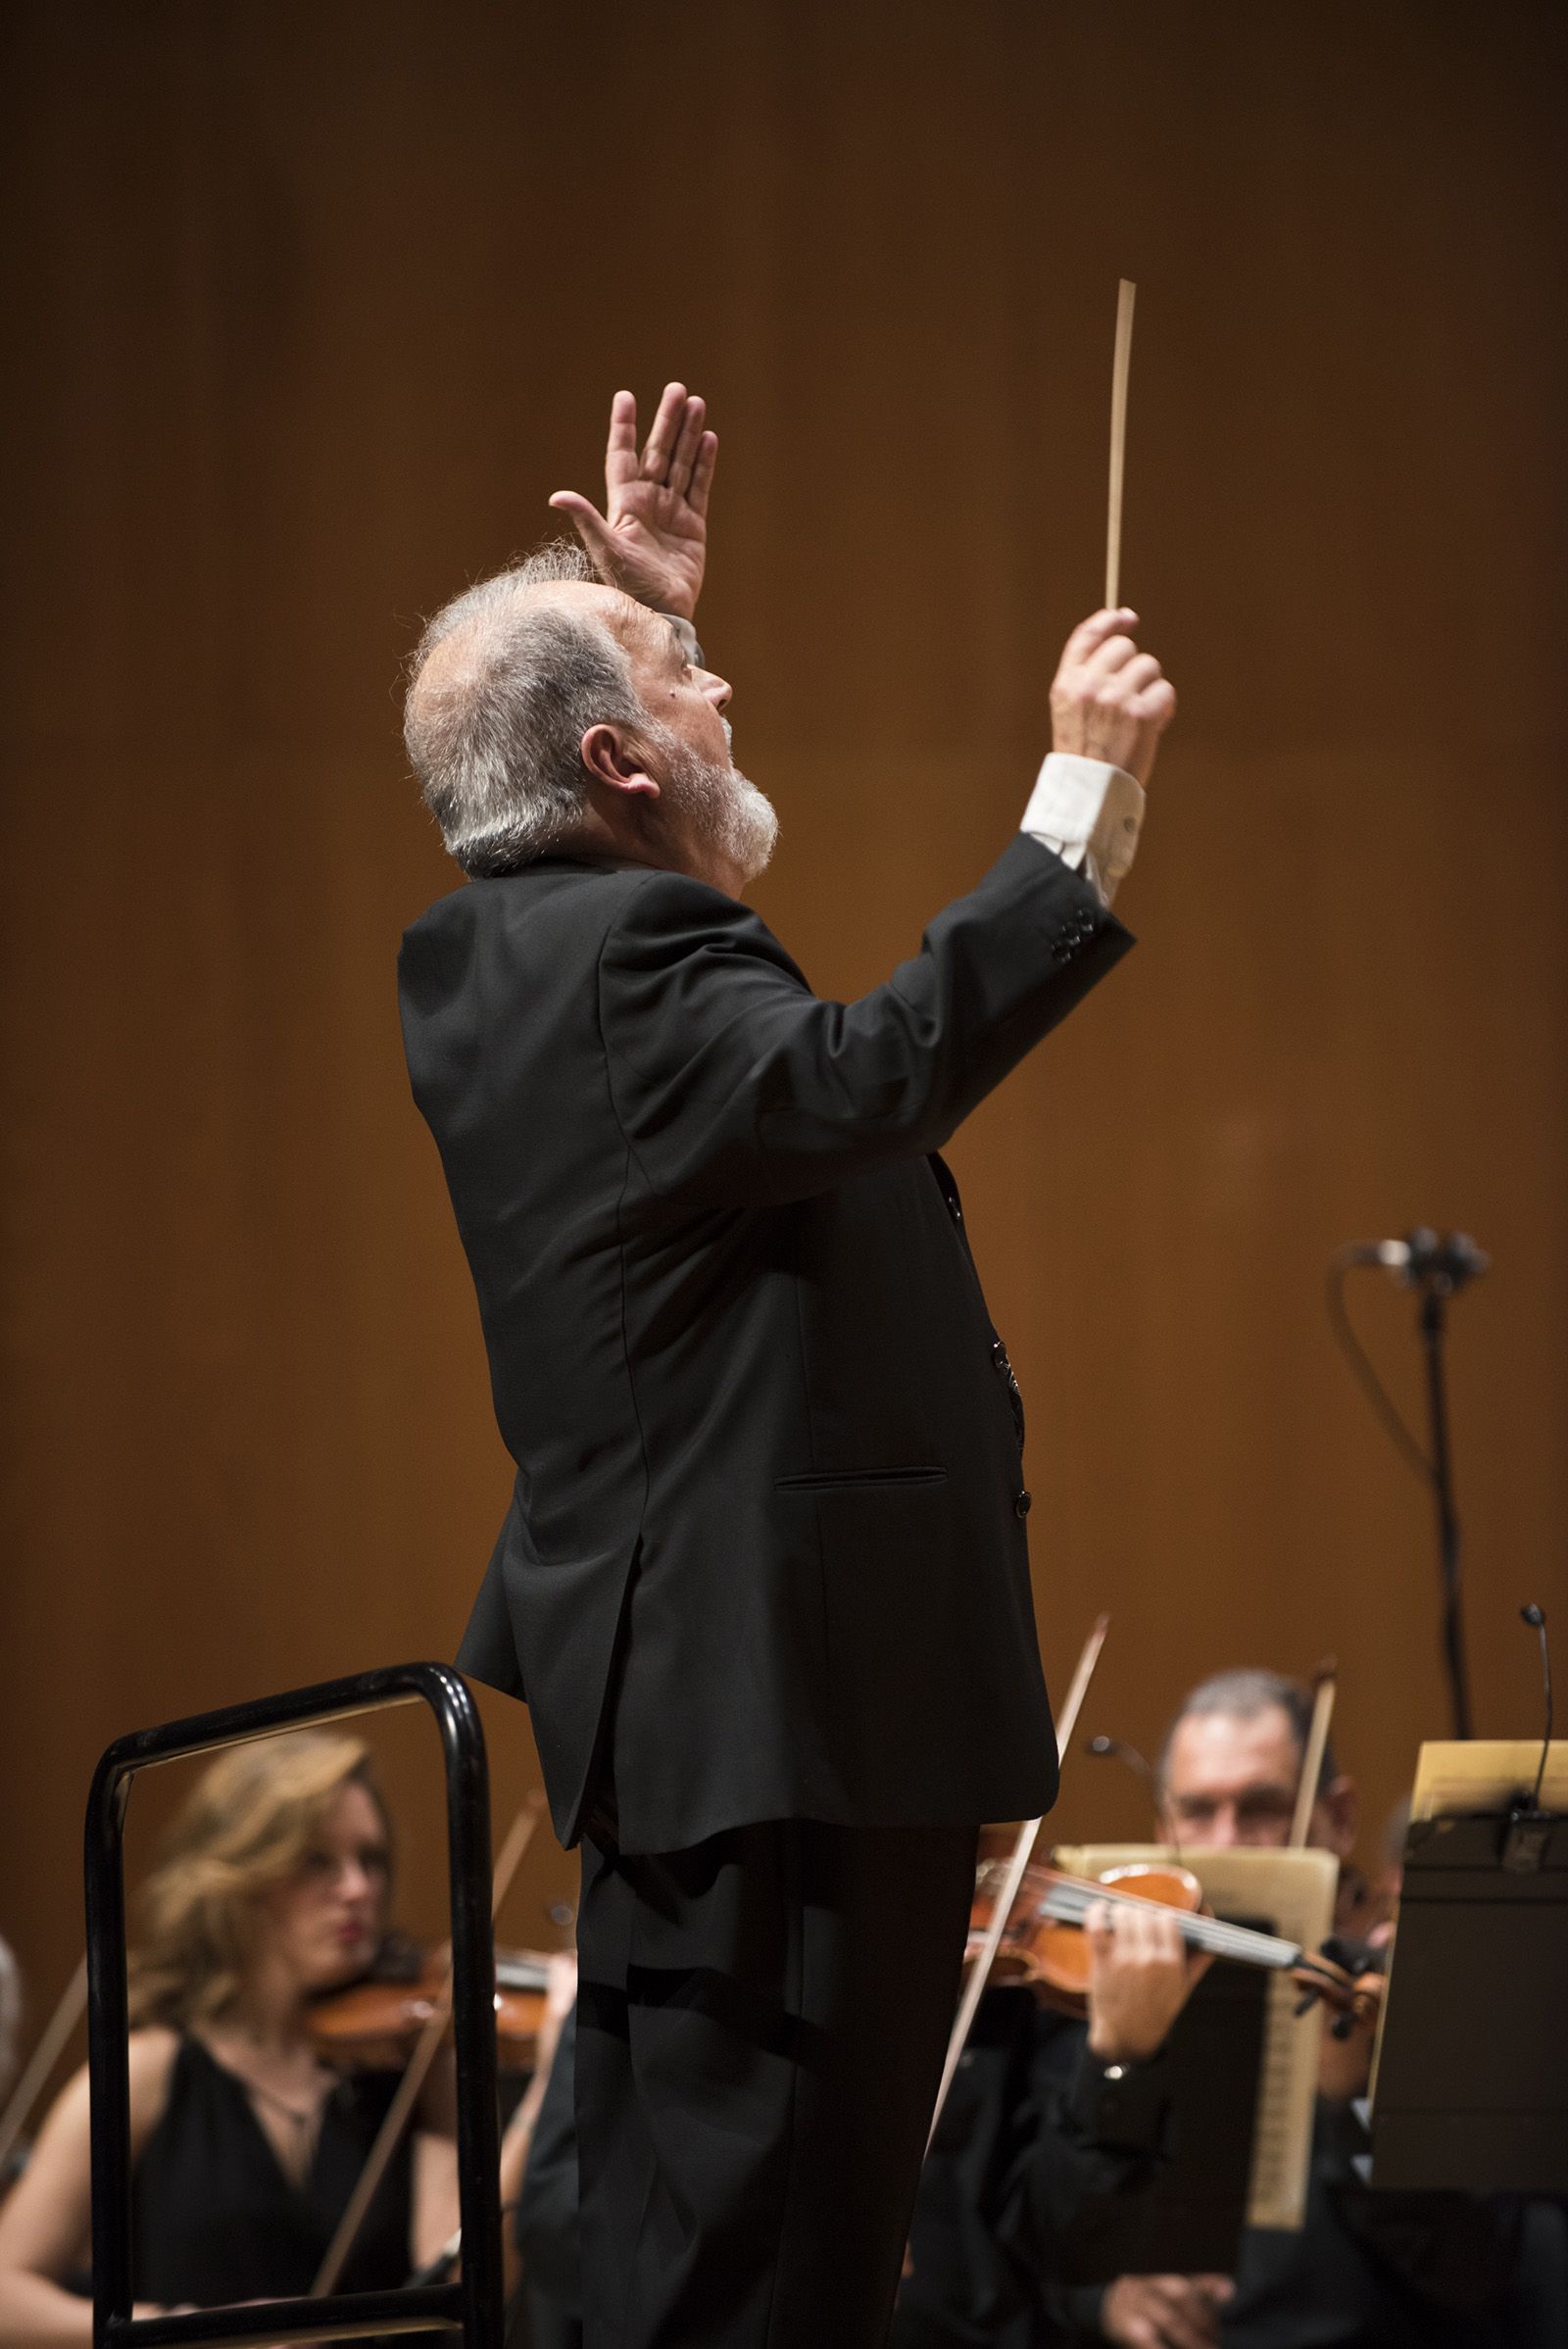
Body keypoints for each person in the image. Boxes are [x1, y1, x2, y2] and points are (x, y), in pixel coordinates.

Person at [398, 378, 1176, 2349]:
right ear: (613, 761)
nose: (720, 683)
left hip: (716, 1711)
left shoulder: (520, 954)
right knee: (780, 2270)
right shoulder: (623, 970)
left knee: (677, 2239)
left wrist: (612, 605)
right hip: (782, 1712)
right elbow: (864, 1076)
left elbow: (734, 1027)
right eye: (684, 666)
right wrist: (1078, 809)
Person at [0, 1733, 460, 2335]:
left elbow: (452, 2287)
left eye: (370, 1860)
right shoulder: (145, 2073)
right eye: (316, 1860)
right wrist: (185, 2331)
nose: (358, 1888)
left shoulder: (410, 2063)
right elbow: (6, 2293)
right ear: (240, 1875)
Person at [1156, 1671, 1534, 2349]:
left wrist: (1357, 2100)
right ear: (1163, 1827)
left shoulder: (1426, 2002)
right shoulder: (1116, 1995)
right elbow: (1022, 2233)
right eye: (1198, 1810)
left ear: (1339, 1817)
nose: (1227, 1841)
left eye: (1262, 1807)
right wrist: (1103, 2295)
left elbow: (1478, 2269)